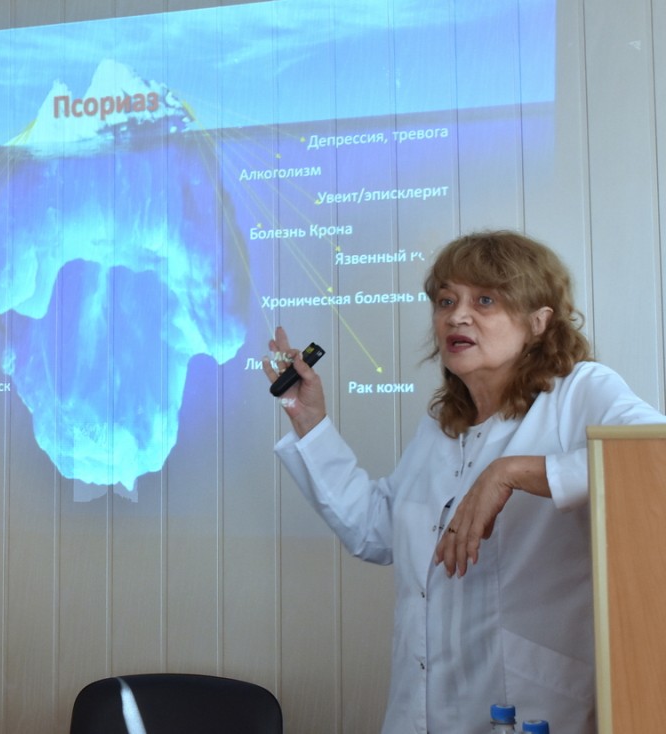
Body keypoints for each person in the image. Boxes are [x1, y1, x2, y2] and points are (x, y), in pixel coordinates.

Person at [263, 230, 665, 733]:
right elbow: (376, 531)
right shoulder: (442, 426)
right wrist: (309, 421)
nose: (457, 316)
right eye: (446, 300)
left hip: (535, 704)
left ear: (539, 321)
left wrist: (512, 472)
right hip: (421, 710)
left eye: (485, 300)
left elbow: (652, 459)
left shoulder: (581, 391)